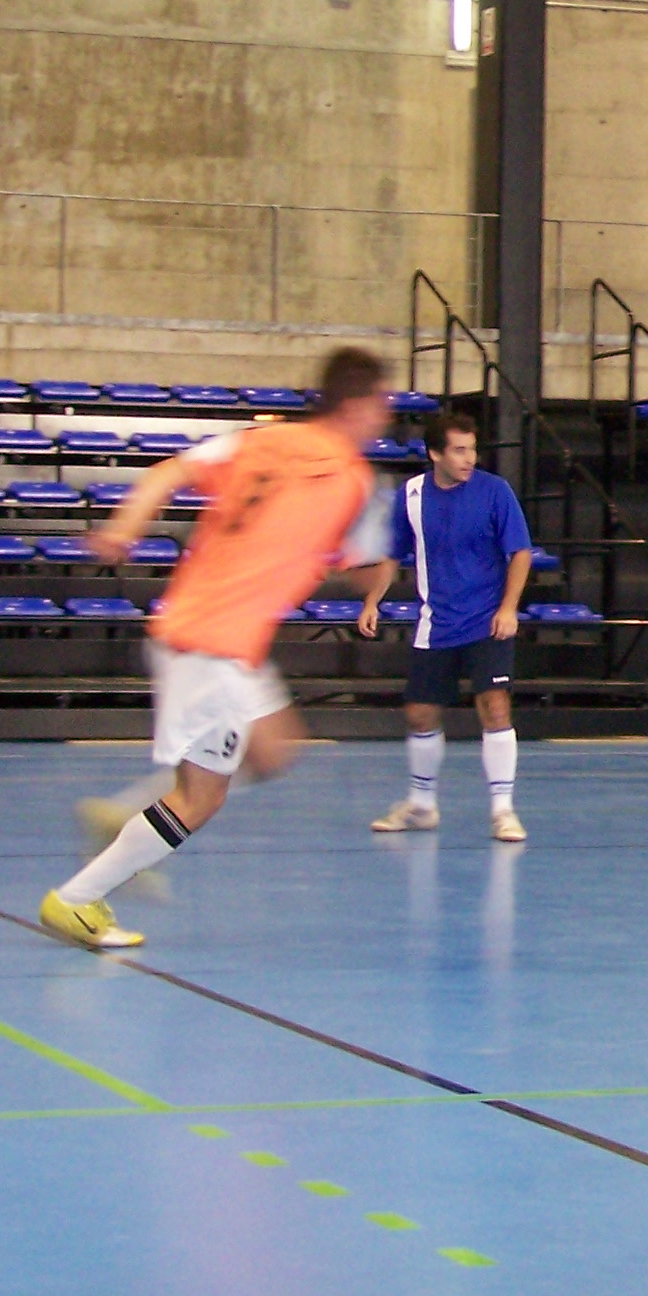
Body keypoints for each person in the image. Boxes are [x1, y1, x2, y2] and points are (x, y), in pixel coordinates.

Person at [39, 349, 395, 952]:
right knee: (201, 798)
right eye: (381, 403)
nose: (385, 416)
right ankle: (76, 899)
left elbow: (167, 473)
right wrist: (380, 571)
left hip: (207, 631)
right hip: (212, 647)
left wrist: (125, 529)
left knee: (273, 749)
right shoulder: (354, 480)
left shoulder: (260, 441)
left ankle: (124, 817)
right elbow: (360, 569)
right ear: (357, 405)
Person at [355, 407, 536, 841]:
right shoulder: (412, 495)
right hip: (435, 623)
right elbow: (393, 553)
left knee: (495, 706)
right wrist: (373, 600)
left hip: (487, 621)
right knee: (419, 714)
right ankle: (421, 805)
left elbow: (520, 552)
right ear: (435, 454)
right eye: (458, 450)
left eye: (472, 449)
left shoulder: (495, 492)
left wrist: (508, 608)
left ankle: (503, 810)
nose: (469, 458)